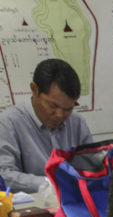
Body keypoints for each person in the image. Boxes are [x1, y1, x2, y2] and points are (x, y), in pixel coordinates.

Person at [0, 58, 93, 193]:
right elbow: (4, 175)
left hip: (74, 205)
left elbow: (91, 166)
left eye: (68, 109)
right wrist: (49, 184)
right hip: (29, 210)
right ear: (34, 89)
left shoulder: (77, 123)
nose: (60, 115)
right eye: (53, 106)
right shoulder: (8, 123)